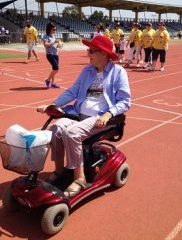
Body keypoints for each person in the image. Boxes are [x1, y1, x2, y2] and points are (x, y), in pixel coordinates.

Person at [37, 35, 131, 197]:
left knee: (72, 134)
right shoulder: (87, 70)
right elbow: (73, 91)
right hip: (79, 114)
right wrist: (53, 105)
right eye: (89, 50)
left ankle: (79, 178)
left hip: (101, 118)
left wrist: (108, 114)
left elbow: (125, 101)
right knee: (55, 128)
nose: (88, 54)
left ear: (103, 53)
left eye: (91, 51)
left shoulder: (118, 72)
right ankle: (59, 170)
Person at [42, 22, 62, 88]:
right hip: (50, 54)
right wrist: (54, 42)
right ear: (49, 29)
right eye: (53, 29)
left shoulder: (53, 35)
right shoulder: (45, 36)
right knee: (56, 69)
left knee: (54, 69)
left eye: (55, 29)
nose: (55, 31)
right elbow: (45, 45)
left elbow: (54, 45)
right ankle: (47, 80)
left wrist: (59, 45)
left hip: (55, 54)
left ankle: (53, 83)